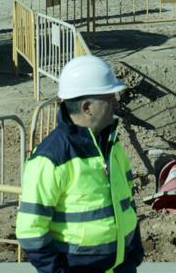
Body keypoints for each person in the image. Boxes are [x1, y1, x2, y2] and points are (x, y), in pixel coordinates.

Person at [16, 55, 143, 272]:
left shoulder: (112, 144)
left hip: (121, 266)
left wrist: (134, 253)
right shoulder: (50, 159)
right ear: (87, 107)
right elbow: (30, 231)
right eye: (109, 97)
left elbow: (127, 200)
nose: (115, 103)